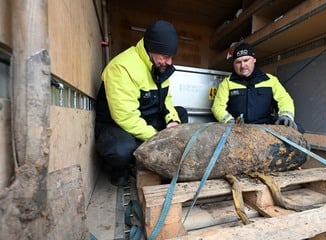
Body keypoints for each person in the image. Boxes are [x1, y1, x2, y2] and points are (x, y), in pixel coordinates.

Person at [95, 20, 188, 186]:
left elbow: (166, 100)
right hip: (117, 125)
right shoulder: (122, 67)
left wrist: (171, 120)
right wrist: (159, 138)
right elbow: (126, 118)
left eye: (171, 57)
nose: (169, 62)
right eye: (165, 57)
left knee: (180, 114)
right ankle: (120, 170)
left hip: (145, 119)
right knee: (121, 150)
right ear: (150, 49)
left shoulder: (159, 67)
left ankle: (145, 155)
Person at [211, 42, 298, 129]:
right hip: (237, 129)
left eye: (246, 60)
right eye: (238, 62)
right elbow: (218, 107)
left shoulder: (270, 80)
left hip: (265, 129)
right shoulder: (227, 83)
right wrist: (229, 121)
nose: (243, 65)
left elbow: (284, 100)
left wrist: (286, 115)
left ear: (254, 60)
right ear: (233, 64)